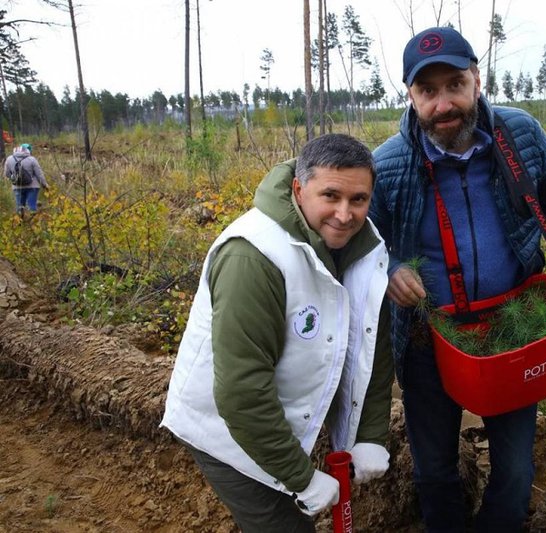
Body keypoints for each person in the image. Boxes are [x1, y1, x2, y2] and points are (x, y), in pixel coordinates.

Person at [369, 27, 546, 532]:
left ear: (478, 80)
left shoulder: (519, 136)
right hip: (429, 339)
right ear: (411, 96)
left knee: (516, 469)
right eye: (428, 91)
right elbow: (362, 247)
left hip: (513, 331)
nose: (444, 104)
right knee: (435, 469)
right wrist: (390, 270)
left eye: (455, 84)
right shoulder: (387, 164)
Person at [162, 133, 394, 532]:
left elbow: (371, 347)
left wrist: (371, 434)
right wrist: (301, 478)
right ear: (299, 189)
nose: (345, 214)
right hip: (226, 430)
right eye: (331, 196)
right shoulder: (253, 257)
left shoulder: (364, 250)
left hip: (279, 412)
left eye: (359, 200)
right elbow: (242, 392)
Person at [4, 143, 48, 216]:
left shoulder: (9, 159)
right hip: (32, 186)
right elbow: (39, 174)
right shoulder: (32, 159)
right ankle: (33, 223)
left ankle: (20, 223)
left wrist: (14, 178)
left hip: (17, 187)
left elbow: (6, 174)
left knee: (20, 206)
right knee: (32, 206)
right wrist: (45, 185)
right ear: (27, 151)